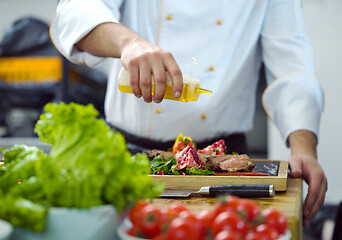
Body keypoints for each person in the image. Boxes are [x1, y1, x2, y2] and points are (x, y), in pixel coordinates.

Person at [50, 0, 327, 226]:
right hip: (132, 161)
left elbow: (291, 62)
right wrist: (129, 43)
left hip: (225, 166)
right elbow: (75, 11)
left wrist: (304, 148)